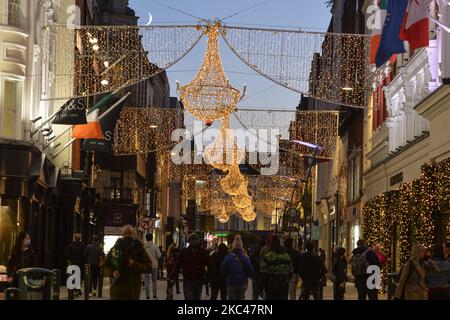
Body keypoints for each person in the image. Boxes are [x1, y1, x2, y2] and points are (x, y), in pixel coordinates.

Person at [103, 225, 152, 300]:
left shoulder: (139, 249)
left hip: (132, 291)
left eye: (130, 234)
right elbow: (105, 267)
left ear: (134, 236)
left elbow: (148, 267)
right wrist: (112, 273)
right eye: (125, 234)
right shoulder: (115, 249)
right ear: (122, 235)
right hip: (117, 291)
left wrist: (134, 264)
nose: (127, 236)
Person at [174, 233, 209, 300]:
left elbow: (209, 264)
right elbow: (178, 264)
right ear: (189, 241)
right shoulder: (184, 252)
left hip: (199, 279)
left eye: (195, 240)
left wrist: (208, 276)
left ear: (198, 241)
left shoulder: (202, 252)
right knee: (189, 297)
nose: (193, 241)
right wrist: (175, 274)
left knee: (197, 297)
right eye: (192, 240)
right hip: (188, 279)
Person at [220, 235, 253, 300]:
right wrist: (245, 276)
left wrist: (227, 276)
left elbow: (222, 270)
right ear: (241, 246)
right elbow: (250, 270)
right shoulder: (245, 258)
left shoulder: (228, 257)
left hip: (231, 282)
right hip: (241, 283)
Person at [260, 235, 292, 300]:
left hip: (271, 286)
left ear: (272, 244)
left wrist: (263, 286)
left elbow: (263, 273)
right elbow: (291, 271)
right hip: (284, 285)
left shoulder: (269, 256)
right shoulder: (286, 256)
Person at [143, 233, 161, 299]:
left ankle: (147, 296)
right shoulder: (155, 246)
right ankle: (154, 295)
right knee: (154, 281)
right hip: (154, 266)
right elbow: (159, 255)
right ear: (152, 238)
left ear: (146, 238)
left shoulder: (143, 247)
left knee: (146, 281)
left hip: (146, 266)